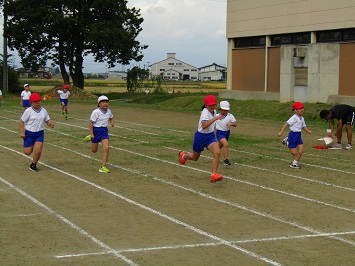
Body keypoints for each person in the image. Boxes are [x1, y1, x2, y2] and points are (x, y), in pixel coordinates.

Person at [179, 95, 224, 182]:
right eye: (210, 105)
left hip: (210, 136)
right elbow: (204, 126)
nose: (212, 107)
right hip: (200, 137)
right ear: (206, 105)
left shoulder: (213, 111)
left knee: (217, 152)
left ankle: (214, 174)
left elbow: (211, 116)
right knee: (195, 158)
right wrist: (215, 118)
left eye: (214, 105)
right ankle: (183, 156)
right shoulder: (205, 112)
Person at [19, 93, 54, 171]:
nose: (38, 103)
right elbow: (21, 121)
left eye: (39, 101)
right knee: (27, 152)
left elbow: (47, 120)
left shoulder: (44, 110)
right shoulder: (28, 111)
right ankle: (30, 143)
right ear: (31, 103)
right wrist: (22, 132)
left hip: (39, 133)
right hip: (29, 134)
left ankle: (33, 164)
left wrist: (50, 124)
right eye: (35, 102)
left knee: (38, 151)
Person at [85, 95, 114, 173]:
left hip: (104, 131)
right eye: (103, 102)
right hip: (96, 130)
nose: (105, 104)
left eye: (106, 102)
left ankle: (103, 166)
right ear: (99, 104)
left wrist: (111, 122)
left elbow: (111, 117)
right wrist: (91, 133)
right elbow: (91, 123)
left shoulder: (109, 111)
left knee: (106, 148)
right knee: (94, 150)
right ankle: (90, 138)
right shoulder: (96, 112)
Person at [278, 102, 312, 169]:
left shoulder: (302, 118)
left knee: (301, 150)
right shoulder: (294, 117)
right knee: (293, 153)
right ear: (295, 110)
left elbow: (303, 126)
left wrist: (307, 130)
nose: (302, 110)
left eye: (302, 108)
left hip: (298, 135)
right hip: (293, 135)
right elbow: (286, 124)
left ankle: (294, 163)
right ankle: (288, 140)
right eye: (299, 109)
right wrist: (281, 132)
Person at [215, 100, 237, 166]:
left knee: (221, 145)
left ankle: (214, 150)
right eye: (224, 110)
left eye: (226, 110)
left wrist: (231, 124)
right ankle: (226, 160)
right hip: (219, 133)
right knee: (226, 144)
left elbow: (235, 124)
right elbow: (209, 117)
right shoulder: (216, 116)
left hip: (227, 133)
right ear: (220, 109)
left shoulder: (230, 116)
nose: (225, 111)